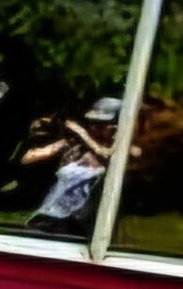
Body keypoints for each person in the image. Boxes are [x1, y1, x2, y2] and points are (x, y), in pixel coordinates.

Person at [22, 97, 122, 234]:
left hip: (80, 224)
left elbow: (106, 156)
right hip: (51, 218)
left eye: (101, 124)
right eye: (91, 123)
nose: (93, 128)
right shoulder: (76, 147)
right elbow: (28, 158)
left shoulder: (120, 152)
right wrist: (48, 135)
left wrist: (82, 134)